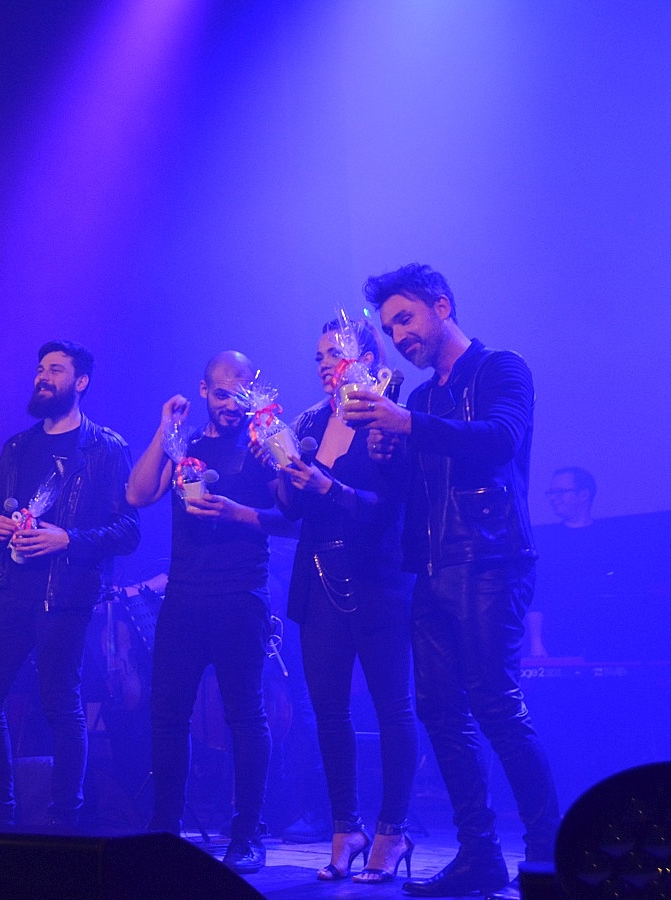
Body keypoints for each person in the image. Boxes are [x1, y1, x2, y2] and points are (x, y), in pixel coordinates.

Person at [344, 264, 559, 900]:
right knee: (440, 712)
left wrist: (406, 427)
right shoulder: (418, 398)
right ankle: (480, 854)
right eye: (390, 328)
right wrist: (387, 455)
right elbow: (412, 492)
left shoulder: (501, 368)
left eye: (405, 318)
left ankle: (548, 853)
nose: (399, 335)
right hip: (432, 568)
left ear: (442, 306)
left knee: (495, 703)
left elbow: (499, 440)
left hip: (491, 558)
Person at [124, 350, 288, 874]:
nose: (231, 405)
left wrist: (241, 512)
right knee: (168, 715)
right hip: (184, 599)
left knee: (246, 716)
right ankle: (165, 827)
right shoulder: (186, 445)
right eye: (221, 394)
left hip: (241, 597)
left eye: (240, 395)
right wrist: (165, 430)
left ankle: (248, 832)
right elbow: (137, 494)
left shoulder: (261, 444)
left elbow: (292, 519)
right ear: (203, 391)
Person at [0, 340, 140, 829]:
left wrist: (67, 539)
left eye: (56, 369)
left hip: (65, 597)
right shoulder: (17, 447)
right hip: (8, 589)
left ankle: (65, 818)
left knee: (60, 704)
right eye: (40, 368)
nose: (43, 376)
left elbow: (129, 531)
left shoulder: (106, 448)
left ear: (80, 382)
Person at [274, 320, 416, 882]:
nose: (324, 364)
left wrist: (330, 487)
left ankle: (392, 831)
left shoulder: (387, 411)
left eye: (335, 353)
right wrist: (279, 468)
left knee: (392, 708)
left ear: (366, 357)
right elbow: (289, 508)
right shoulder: (309, 421)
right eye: (318, 356)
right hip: (319, 576)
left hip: (379, 577)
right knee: (328, 713)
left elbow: (393, 506)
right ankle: (346, 828)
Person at [526, 467, 603, 659]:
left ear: (584, 495)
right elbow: (537, 593)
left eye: (560, 492)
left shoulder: (605, 538)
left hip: (600, 632)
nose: (554, 498)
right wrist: (536, 642)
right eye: (551, 493)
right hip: (558, 635)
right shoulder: (546, 540)